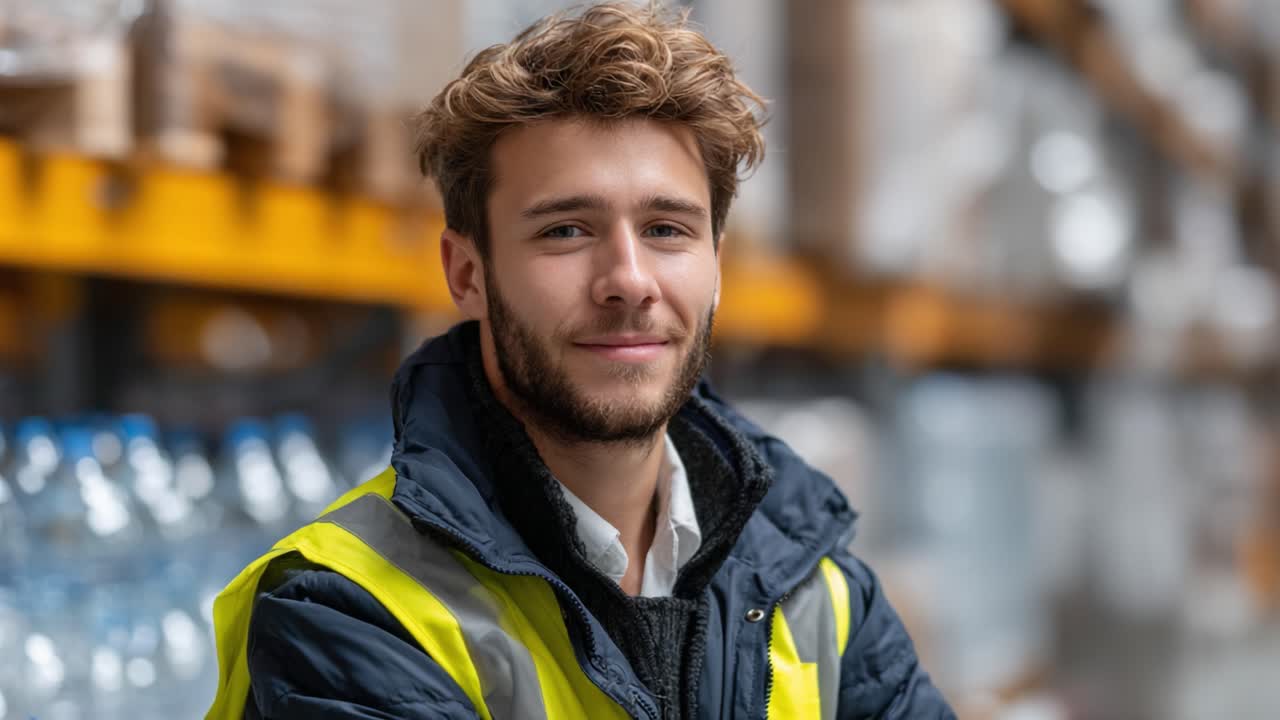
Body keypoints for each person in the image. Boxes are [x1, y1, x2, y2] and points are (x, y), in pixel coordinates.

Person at [206, 3, 954, 718]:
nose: (628, 280)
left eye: (666, 228)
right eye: (566, 230)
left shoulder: (814, 588)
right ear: (467, 274)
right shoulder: (349, 610)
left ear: (716, 268)